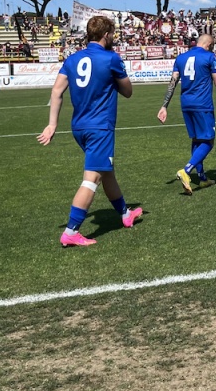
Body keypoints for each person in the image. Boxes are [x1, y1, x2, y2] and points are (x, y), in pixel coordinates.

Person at [37, 15, 141, 248]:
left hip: (79, 127)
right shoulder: (111, 58)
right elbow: (128, 92)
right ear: (106, 35)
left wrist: (52, 124)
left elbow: (56, 91)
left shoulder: (73, 59)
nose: (113, 37)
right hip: (99, 127)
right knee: (92, 179)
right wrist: (113, 77)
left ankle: (125, 214)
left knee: (107, 171)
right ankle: (71, 231)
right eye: (112, 34)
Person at [156, 33, 216, 195]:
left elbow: (172, 82)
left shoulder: (181, 58)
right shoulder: (210, 57)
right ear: (208, 44)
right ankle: (186, 170)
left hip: (186, 104)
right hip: (202, 104)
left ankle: (202, 178)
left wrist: (164, 106)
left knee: (196, 139)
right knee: (208, 141)